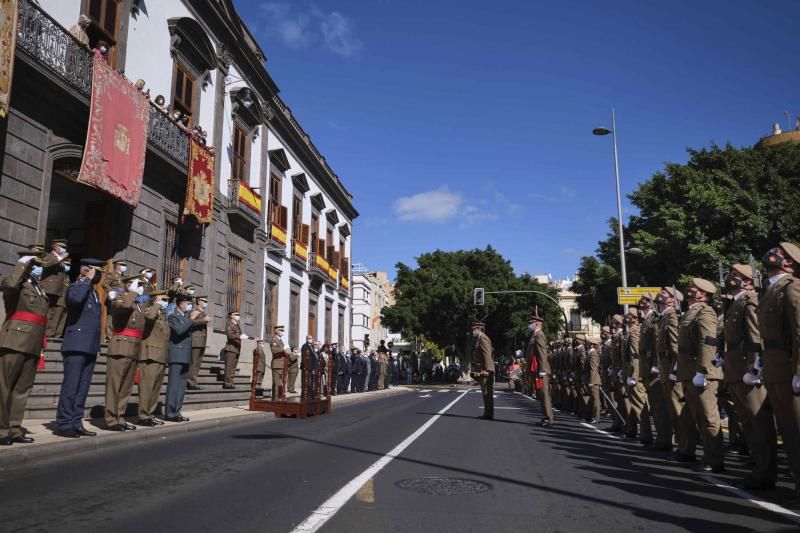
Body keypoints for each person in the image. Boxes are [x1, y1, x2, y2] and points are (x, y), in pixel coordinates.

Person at [724, 263, 776, 489]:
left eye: (736, 275)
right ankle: (758, 468)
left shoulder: (750, 301)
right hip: (735, 370)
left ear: (747, 280)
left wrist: (754, 368)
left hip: (747, 372)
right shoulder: (736, 303)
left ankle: (765, 472)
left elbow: (755, 337)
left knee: (759, 422)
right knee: (748, 422)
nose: (731, 278)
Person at [757, 242, 800, 498]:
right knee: (790, 434)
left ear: (788, 263)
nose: (772, 254)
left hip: (788, 370)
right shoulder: (771, 290)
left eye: (780, 253)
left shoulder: (792, 287)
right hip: (775, 371)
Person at [0, 251, 48, 445]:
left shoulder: (39, 288)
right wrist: (20, 265)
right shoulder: (16, 283)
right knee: (5, 387)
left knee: (22, 388)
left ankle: (14, 428)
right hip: (15, 340)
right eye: (36, 264)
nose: (40, 268)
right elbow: (10, 285)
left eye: (41, 265)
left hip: (33, 343)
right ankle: (2, 431)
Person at [677, 278, 723, 473]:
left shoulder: (705, 312)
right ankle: (706, 454)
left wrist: (702, 371)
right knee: (697, 416)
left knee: (708, 418)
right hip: (689, 370)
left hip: (701, 372)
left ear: (703, 294)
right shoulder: (691, 312)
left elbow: (708, 342)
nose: (689, 289)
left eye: (693, 288)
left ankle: (715, 460)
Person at [55, 258, 105, 438]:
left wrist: (96, 345)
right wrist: (85, 280)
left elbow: (95, 323)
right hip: (76, 344)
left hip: (89, 346)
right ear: (87, 271)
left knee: (82, 388)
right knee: (71, 386)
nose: (98, 276)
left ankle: (76, 422)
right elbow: (75, 301)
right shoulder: (77, 286)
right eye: (96, 272)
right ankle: (64, 423)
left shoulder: (94, 292)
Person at [105, 275, 151, 431]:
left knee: (126, 387)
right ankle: (111, 419)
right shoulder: (118, 297)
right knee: (115, 385)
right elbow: (122, 309)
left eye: (139, 284)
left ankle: (120, 417)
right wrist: (131, 293)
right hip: (121, 346)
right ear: (125, 285)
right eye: (132, 283)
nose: (137, 286)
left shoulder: (139, 303)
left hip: (134, 348)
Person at [165, 295, 207, 422]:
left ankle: (177, 411)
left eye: (189, 303)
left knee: (182, 386)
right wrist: (191, 319)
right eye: (187, 303)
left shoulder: (184, 317)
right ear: (180, 304)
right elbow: (178, 330)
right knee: (174, 386)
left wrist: (190, 319)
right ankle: (170, 413)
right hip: (177, 355)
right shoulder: (173, 316)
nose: (189, 305)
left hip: (185, 356)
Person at [639, 293, 671, 451]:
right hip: (647, 367)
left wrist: (656, 365)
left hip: (654, 368)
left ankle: (665, 438)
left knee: (659, 406)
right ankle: (662, 437)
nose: (640, 308)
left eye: (644, 304)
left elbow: (657, 345)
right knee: (656, 405)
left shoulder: (655, 320)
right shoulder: (646, 321)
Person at [137, 291, 170, 426]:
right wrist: (156, 304)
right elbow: (149, 318)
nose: (166, 302)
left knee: (155, 388)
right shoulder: (149, 310)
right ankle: (143, 416)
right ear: (156, 299)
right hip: (150, 354)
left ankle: (150, 414)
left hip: (160, 355)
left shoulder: (162, 315)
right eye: (164, 299)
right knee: (147, 387)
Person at [526, 310, 552, 426]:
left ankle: (548, 418)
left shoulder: (539, 335)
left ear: (536, 324)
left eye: (531, 323)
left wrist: (542, 370)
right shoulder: (535, 335)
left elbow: (542, 353)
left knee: (544, 393)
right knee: (540, 393)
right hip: (536, 370)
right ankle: (545, 416)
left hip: (541, 371)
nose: (529, 325)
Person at [41, 238, 69, 338]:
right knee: (47, 312)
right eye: (62, 247)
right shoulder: (49, 255)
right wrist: (60, 257)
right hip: (49, 288)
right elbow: (46, 264)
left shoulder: (61, 260)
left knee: (54, 312)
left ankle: (50, 334)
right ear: (55, 246)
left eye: (65, 247)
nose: (64, 249)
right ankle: (44, 333)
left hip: (58, 290)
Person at [470, 321, 494, 420]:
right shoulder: (479, 338)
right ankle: (487, 413)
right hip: (482, 369)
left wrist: (487, 370)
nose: (472, 331)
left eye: (474, 329)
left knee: (487, 392)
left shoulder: (483, 338)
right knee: (485, 392)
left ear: (479, 329)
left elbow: (487, 354)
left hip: (485, 370)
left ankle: (488, 414)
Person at [102, 259, 127, 342]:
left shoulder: (123, 276)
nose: (124, 267)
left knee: (119, 317)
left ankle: (117, 335)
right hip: (114, 298)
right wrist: (111, 292)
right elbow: (104, 284)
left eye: (125, 265)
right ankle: (109, 337)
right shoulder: (112, 274)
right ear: (117, 265)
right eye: (122, 265)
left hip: (122, 299)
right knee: (111, 317)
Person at [187, 295, 209, 391]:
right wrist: (203, 320)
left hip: (201, 341)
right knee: (194, 362)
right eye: (204, 301)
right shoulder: (195, 311)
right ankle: (190, 382)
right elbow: (190, 322)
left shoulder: (202, 312)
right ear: (199, 301)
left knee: (197, 363)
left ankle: (193, 381)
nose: (206, 302)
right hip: (195, 340)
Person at [223, 312, 248, 389]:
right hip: (231, 348)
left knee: (233, 368)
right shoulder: (229, 324)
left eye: (238, 315)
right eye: (236, 315)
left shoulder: (237, 325)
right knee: (229, 367)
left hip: (236, 348)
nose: (238, 316)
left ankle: (231, 382)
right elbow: (230, 335)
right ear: (231, 316)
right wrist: (239, 336)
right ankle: (227, 383)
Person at [270, 325, 290, 399]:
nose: (282, 332)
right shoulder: (274, 340)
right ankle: (275, 400)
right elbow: (274, 350)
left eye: (282, 330)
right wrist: (283, 348)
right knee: (276, 383)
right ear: (276, 331)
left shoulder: (280, 340)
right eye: (280, 330)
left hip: (282, 364)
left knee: (280, 384)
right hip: (276, 364)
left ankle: (278, 398)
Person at [586, 338, 602, 424]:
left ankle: (596, 417)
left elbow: (593, 368)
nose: (587, 344)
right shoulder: (590, 353)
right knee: (592, 399)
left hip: (594, 380)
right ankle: (591, 416)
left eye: (588, 343)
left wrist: (592, 381)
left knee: (596, 399)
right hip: (591, 379)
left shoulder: (593, 354)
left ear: (592, 344)